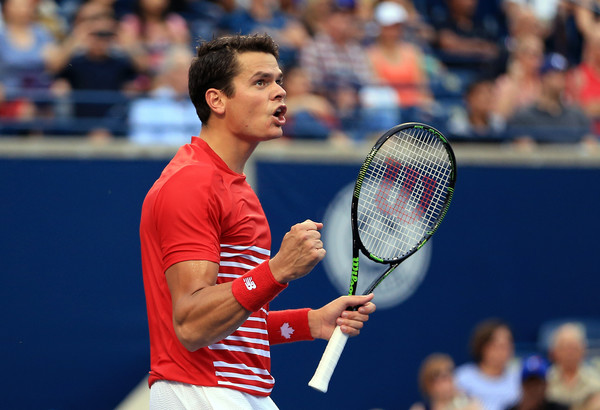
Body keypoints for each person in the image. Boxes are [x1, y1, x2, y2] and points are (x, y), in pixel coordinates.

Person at [139, 33, 376, 409]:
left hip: (238, 392)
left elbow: (229, 325)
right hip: (200, 390)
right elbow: (191, 325)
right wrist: (278, 269)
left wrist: (309, 323)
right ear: (216, 100)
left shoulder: (237, 188)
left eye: (278, 80)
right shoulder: (191, 182)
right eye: (261, 82)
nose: (280, 92)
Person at [507, 52, 594, 146]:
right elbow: (521, 150)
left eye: (563, 75)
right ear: (543, 78)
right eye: (555, 75)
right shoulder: (525, 116)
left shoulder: (576, 115)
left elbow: (590, 145)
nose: (561, 79)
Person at [129, 46, 201, 146]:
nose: (187, 76)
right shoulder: (145, 106)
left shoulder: (201, 105)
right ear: (167, 74)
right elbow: (141, 143)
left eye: (190, 71)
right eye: (180, 71)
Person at [455, 319, 521, 410]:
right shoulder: (462, 378)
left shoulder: (518, 379)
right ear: (483, 347)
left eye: (508, 345)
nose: (504, 351)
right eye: (499, 346)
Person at [546, 323, 600, 408]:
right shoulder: (545, 381)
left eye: (574, 348)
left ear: (583, 350)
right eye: (564, 348)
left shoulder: (596, 382)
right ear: (554, 352)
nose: (569, 353)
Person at [410, 353, 482, 410]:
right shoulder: (419, 408)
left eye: (448, 377)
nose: (446, 385)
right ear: (428, 385)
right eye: (439, 379)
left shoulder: (470, 403)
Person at [446, 77, 506, 141]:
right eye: (483, 94)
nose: (488, 98)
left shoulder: (499, 123)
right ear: (469, 98)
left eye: (490, 93)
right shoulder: (456, 126)